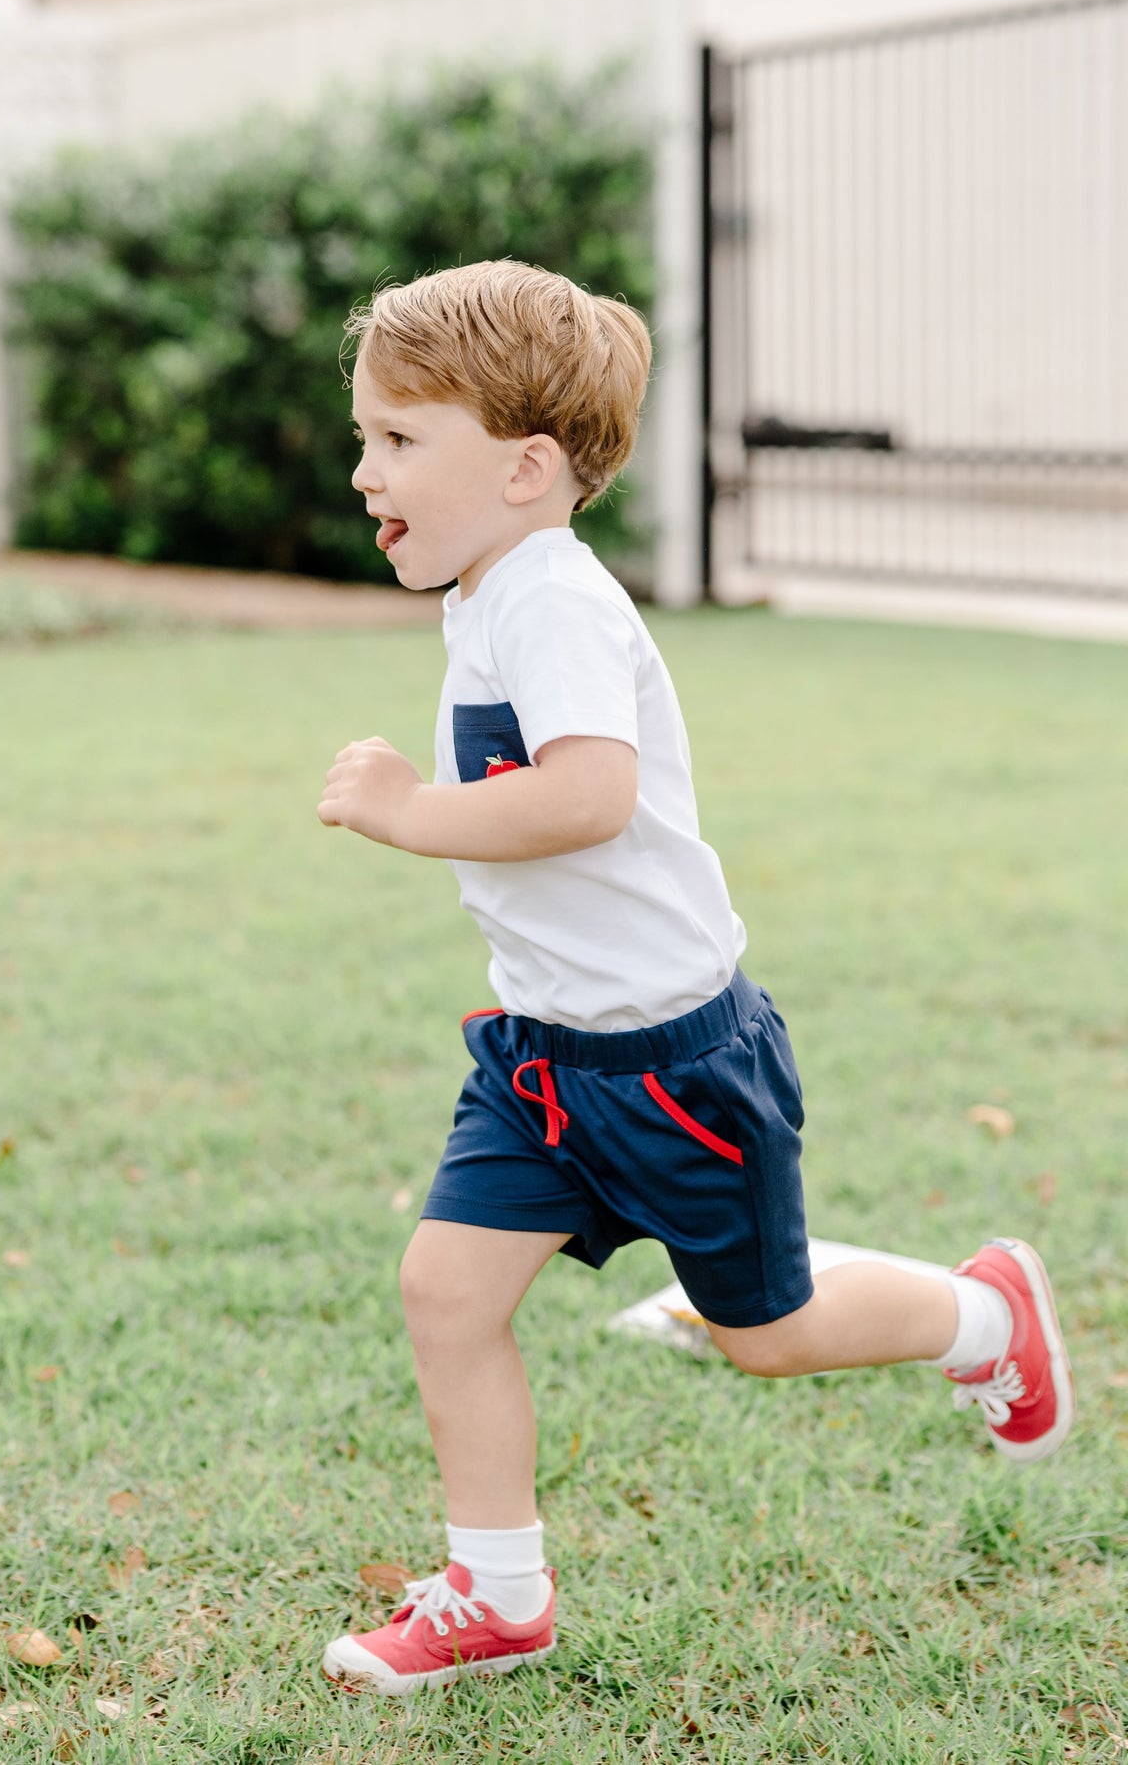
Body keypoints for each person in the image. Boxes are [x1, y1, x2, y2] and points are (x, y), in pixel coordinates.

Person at [315, 260, 1073, 1695]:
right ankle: (499, 1593)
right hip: (542, 1064)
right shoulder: (489, 588)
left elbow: (588, 793)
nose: (366, 471)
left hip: (672, 1065)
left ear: (527, 467)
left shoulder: (551, 600)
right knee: (447, 1292)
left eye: (399, 440)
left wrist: (413, 812)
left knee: (766, 1336)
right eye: (368, 437)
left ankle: (986, 1314)